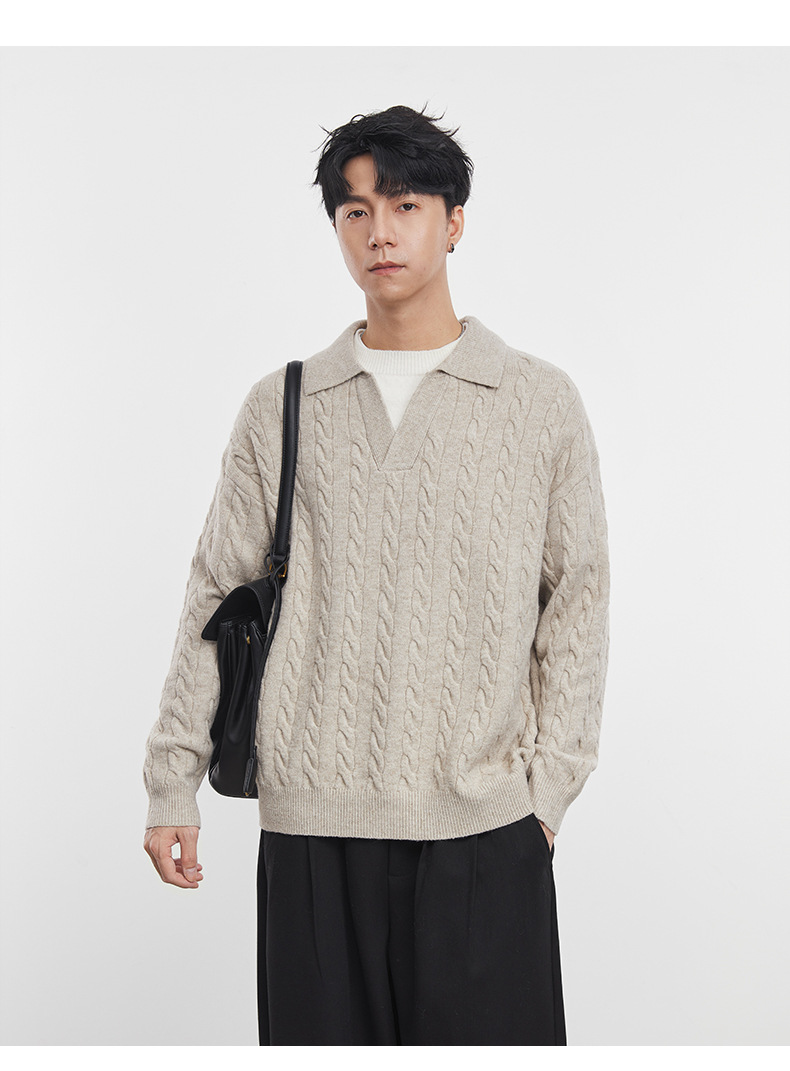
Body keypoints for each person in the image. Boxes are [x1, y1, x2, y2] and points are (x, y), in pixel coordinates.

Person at [143, 103, 610, 1046]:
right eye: (355, 211)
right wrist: (171, 782)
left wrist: (546, 797)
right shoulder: (284, 404)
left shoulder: (537, 402)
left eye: (404, 205)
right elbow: (216, 596)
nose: (379, 233)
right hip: (313, 830)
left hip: (485, 831)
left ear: (454, 220)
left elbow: (578, 604)